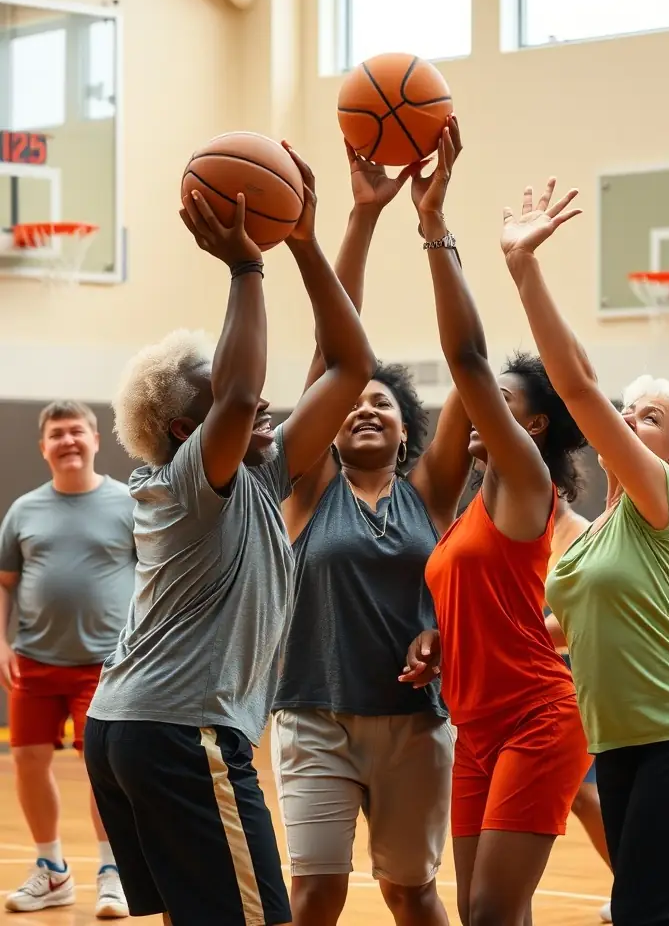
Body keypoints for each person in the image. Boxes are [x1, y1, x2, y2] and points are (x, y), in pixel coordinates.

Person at [83, 149, 377, 926]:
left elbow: (350, 366)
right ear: (191, 429)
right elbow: (242, 390)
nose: (261, 402)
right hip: (180, 731)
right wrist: (246, 268)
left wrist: (308, 243)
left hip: (137, 726)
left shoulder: (252, 476)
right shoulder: (190, 485)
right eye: (231, 409)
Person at [505, 176, 669, 926]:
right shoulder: (590, 535)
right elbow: (568, 628)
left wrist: (525, 270)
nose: (626, 419)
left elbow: (578, 387)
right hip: (619, 736)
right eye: (628, 410)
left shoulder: (665, 502)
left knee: (641, 911)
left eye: (648, 418)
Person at [272, 142, 472, 926]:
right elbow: (334, 356)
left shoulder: (433, 491)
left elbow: (468, 364)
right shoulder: (309, 487)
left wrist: (432, 225)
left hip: (415, 726)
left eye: (382, 404)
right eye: (354, 402)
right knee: (313, 894)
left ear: (405, 429)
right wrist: (358, 217)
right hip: (313, 714)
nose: (363, 407)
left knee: (410, 893)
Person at [402, 120, 592, 926]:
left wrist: (436, 230)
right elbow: (476, 591)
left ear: (536, 427)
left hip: (538, 718)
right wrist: (438, 633)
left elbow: (466, 362)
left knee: (489, 913)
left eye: (502, 409)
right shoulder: (464, 500)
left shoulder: (522, 482)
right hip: (470, 722)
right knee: (483, 919)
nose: (476, 414)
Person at [0, 400, 135, 918]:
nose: (68, 441)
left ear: (96, 440)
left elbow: (152, 581)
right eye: (57, 434)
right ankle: (52, 872)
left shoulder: (128, 503)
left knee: (103, 770)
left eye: (76, 431)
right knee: (28, 763)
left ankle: (112, 872)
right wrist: (4, 643)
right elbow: (6, 584)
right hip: (33, 661)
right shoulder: (23, 510)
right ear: (43, 448)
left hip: (105, 665)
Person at [545, 500, 613, 922]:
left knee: (585, 797)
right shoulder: (496, 520)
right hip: (522, 675)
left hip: (568, 678)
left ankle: (643, 885)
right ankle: (639, 885)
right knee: (582, 799)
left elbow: (581, 620)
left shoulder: (580, 531)